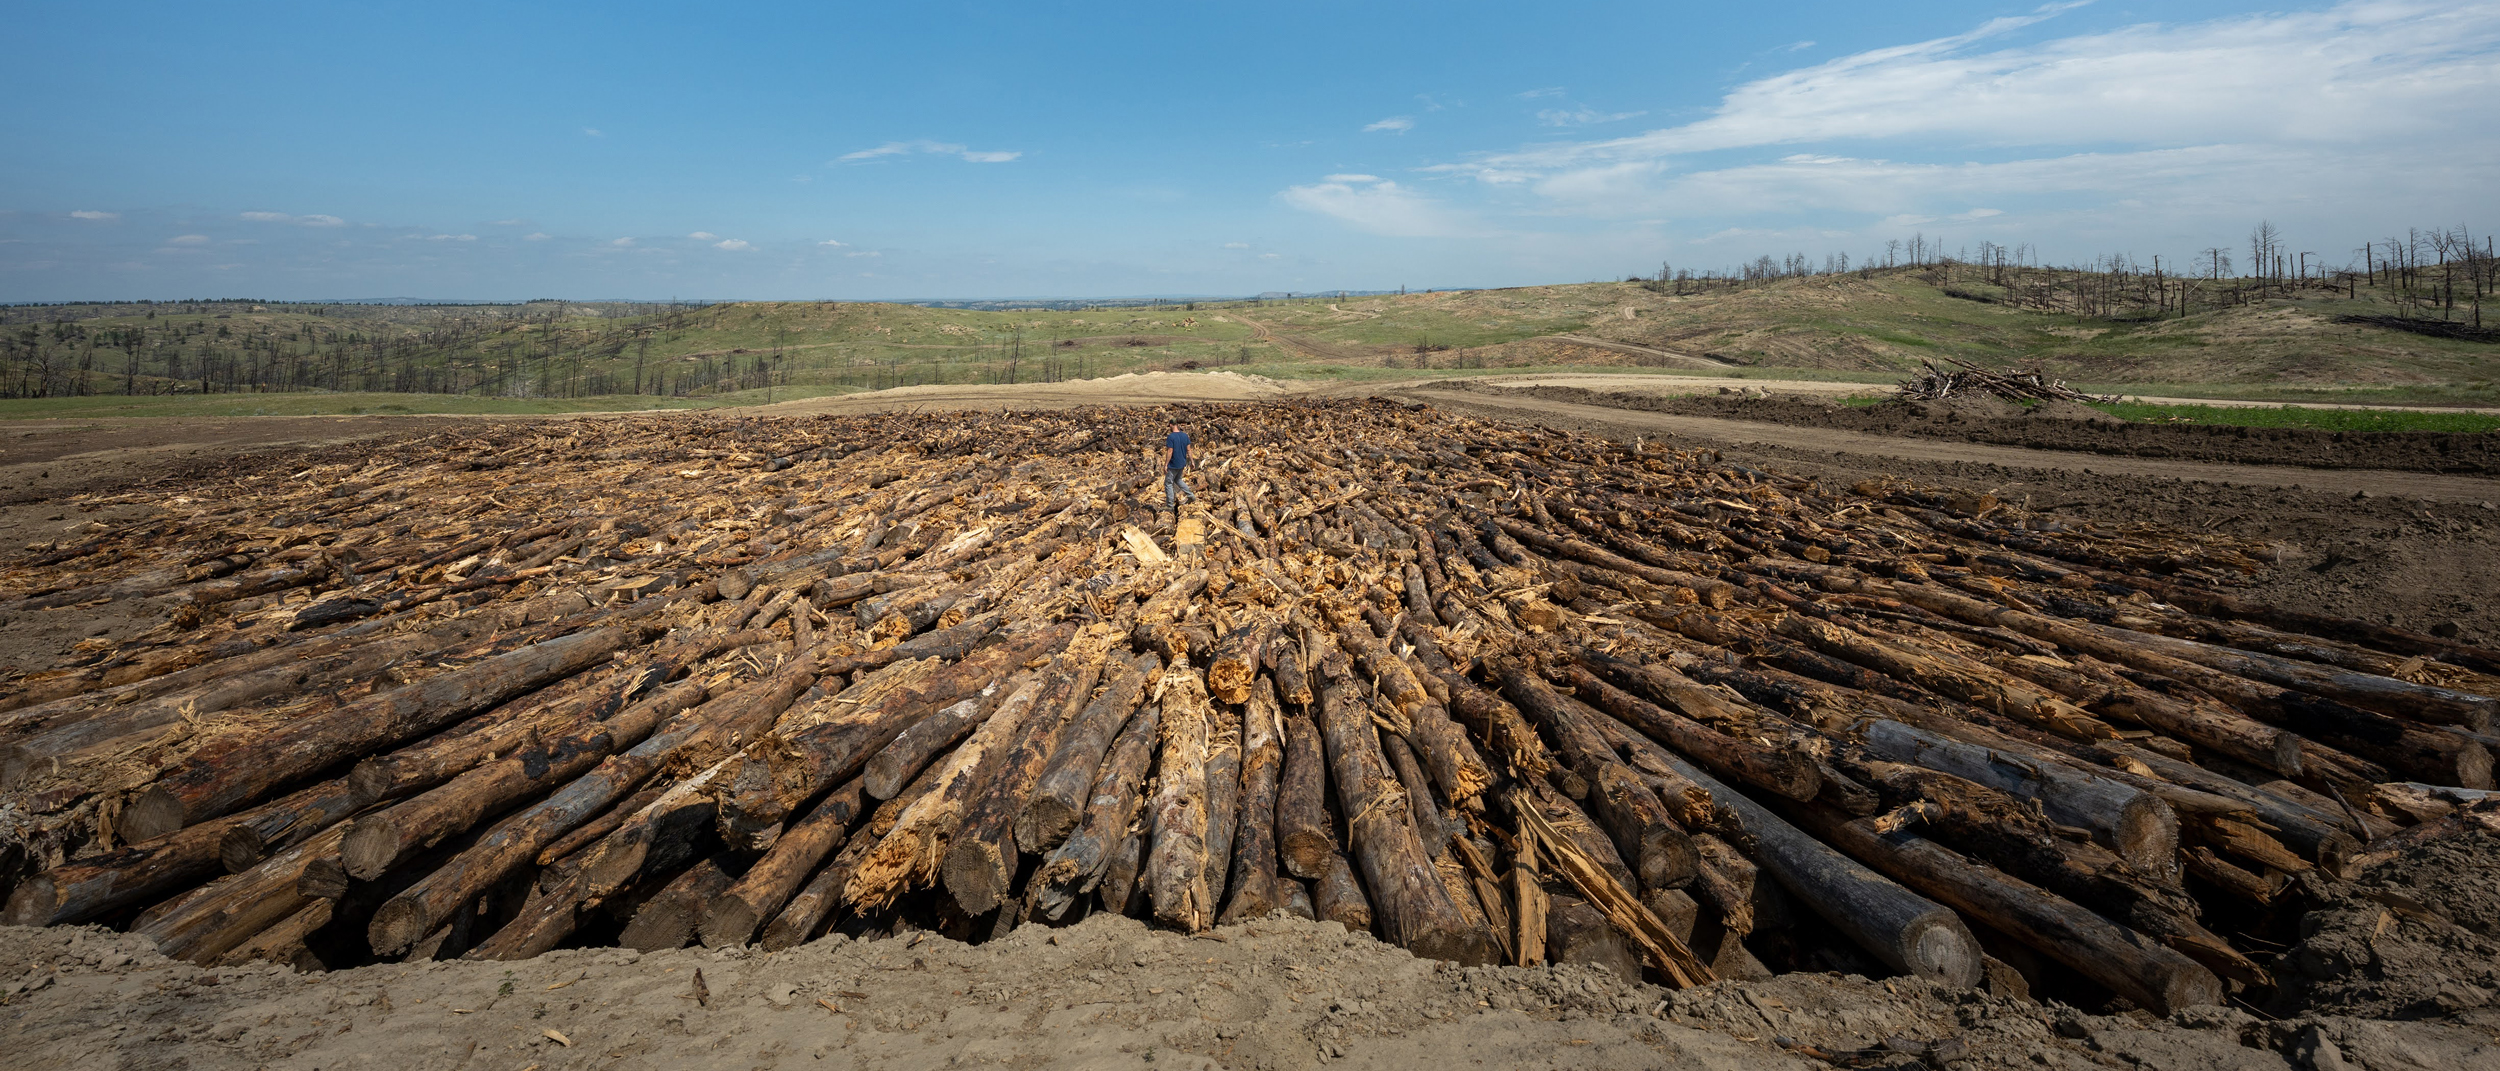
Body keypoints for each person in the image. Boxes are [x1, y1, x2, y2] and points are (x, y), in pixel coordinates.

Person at [1161, 422, 1195, 514]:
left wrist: (1166, 464)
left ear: (1171, 425)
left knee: (1168, 483)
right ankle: (1191, 496)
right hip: (1182, 463)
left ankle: (1170, 505)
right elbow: (1189, 450)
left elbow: (1170, 451)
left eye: (1169, 425)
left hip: (1173, 464)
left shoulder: (1171, 437)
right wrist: (1192, 461)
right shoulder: (1185, 436)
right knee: (1178, 480)